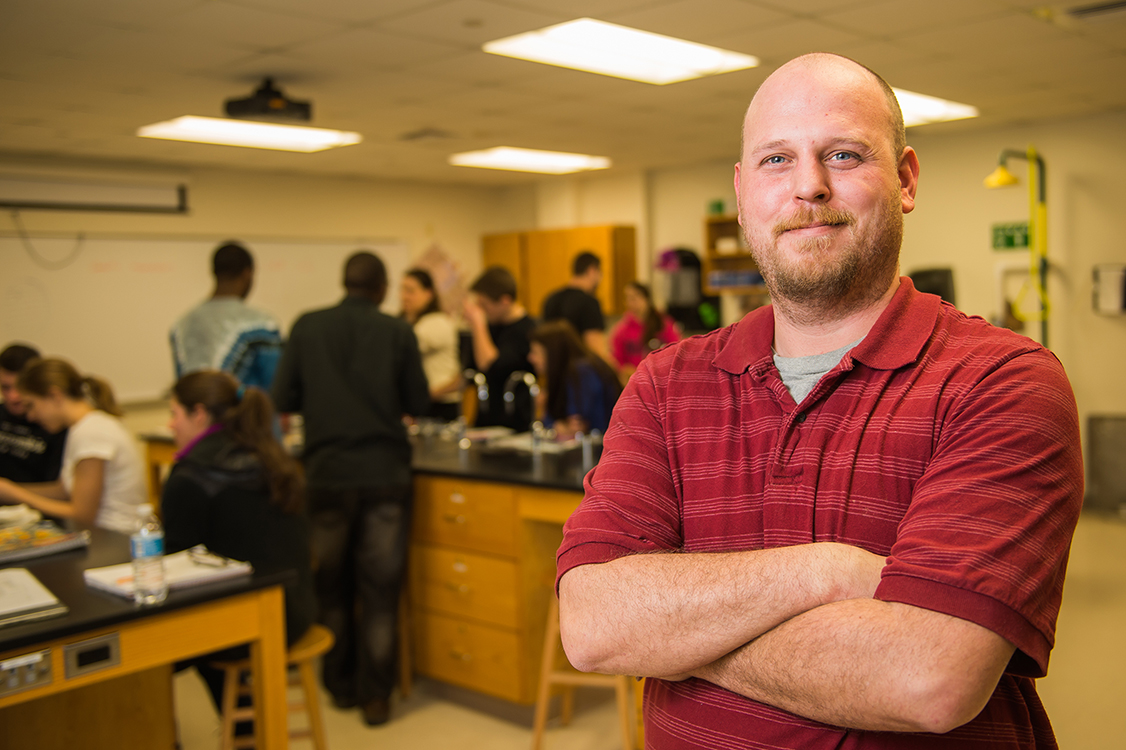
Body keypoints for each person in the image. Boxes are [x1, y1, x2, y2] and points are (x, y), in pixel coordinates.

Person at [556, 53, 1083, 749]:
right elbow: (593, 626)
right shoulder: (663, 385)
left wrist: (674, 635)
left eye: (842, 154)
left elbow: (930, 677)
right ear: (743, 193)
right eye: (777, 160)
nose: (808, 186)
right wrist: (828, 571)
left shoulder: (1001, 383)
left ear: (905, 180)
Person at [271, 251, 429, 727]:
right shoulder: (397, 331)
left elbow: (283, 397)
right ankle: (375, 698)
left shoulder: (307, 327)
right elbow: (419, 401)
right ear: (380, 288)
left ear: (345, 283)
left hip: (327, 473)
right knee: (380, 591)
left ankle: (338, 686)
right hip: (384, 475)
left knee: (331, 586)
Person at [163, 369, 316, 723]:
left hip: (251, 625)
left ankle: (240, 731)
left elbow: (174, 566)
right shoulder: (270, 454)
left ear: (199, 414)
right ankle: (249, 728)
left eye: (174, 414)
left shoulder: (190, 475)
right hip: (297, 608)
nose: (170, 425)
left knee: (144, 651)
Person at [0, 358, 145, 534]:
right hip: (101, 535)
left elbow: (82, 515)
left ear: (54, 396)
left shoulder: (92, 432)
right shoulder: (81, 428)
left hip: (114, 538)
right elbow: (63, 490)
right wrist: (9, 488)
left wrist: (16, 495)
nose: (30, 416)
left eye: (31, 405)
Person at [170, 241, 283, 391]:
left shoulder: (181, 325)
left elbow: (183, 386)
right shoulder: (262, 323)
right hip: (246, 414)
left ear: (213, 272)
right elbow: (275, 385)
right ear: (247, 274)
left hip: (194, 413)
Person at [462, 266, 537, 431]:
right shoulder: (491, 327)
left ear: (505, 301)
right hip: (485, 420)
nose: (481, 311)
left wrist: (478, 325)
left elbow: (490, 364)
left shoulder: (528, 330)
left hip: (516, 422)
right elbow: (470, 371)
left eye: (485, 305)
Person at [528, 321, 622, 439]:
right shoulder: (580, 367)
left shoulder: (583, 371)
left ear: (552, 352)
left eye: (536, 352)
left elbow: (575, 424)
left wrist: (549, 416)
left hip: (600, 447)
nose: (530, 358)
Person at [399, 268, 462, 422]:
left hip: (439, 405)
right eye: (402, 290)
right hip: (425, 403)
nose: (404, 297)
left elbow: (401, 349)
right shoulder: (413, 322)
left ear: (428, 293)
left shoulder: (436, 322)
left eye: (410, 291)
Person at [0, 344, 66, 483]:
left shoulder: (56, 425)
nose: (13, 397)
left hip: (37, 503)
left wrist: (8, 492)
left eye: (19, 387)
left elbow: (61, 491)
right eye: (5, 387)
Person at [541, 251, 612, 363]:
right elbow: (596, 350)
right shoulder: (589, 302)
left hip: (555, 370)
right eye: (600, 273)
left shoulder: (550, 299)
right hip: (579, 373)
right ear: (592, 270)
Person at [608, 282, 681, 380]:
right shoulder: (622, 329)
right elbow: (616, 359)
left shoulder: (663, 324)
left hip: (661, 379)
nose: (631, 303)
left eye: (634, 298)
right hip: (634, 380)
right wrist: (624, 370)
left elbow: (676, 351)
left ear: (646, 299)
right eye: (627, 299)